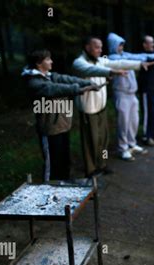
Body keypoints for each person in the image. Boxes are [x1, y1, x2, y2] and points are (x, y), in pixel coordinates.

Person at [72, 36, 150, 177]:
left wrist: (139, 64)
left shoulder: (101, 61)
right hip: (88, 108)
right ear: (87, 47)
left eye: (101, 47)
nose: (100, 50)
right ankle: (91, 170)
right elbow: (91, 70)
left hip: (101, 107)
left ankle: (102, 165)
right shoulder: (79, 63)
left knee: (103, 139)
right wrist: (111, 72)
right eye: (97, 47)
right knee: (91, 140)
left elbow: (119, 63)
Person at [22, 49, 99, 182]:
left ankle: (64, 187)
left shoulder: (49, 75)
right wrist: (78, 89)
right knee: (52, 165)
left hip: (62, 126)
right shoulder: (34, 82)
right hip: (49, 129)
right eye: (48, 59)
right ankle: (50, 190)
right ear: (39, 63)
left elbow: (67, 79)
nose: (51, 61)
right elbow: (54, 89)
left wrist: (86, 83)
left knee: (64, 161)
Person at [107, 33, 153, 161]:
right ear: (113, 46)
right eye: (119, 45)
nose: (121, 47)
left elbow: (137, 57)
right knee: (123, 122)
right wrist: (138, 62)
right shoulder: (112, 58)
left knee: (134, 120)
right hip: (121, 94)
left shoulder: (125, 55)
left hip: (132, 94)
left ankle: (132, 143)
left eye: (122, 45)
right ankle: (123, 148)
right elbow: (125, 63)